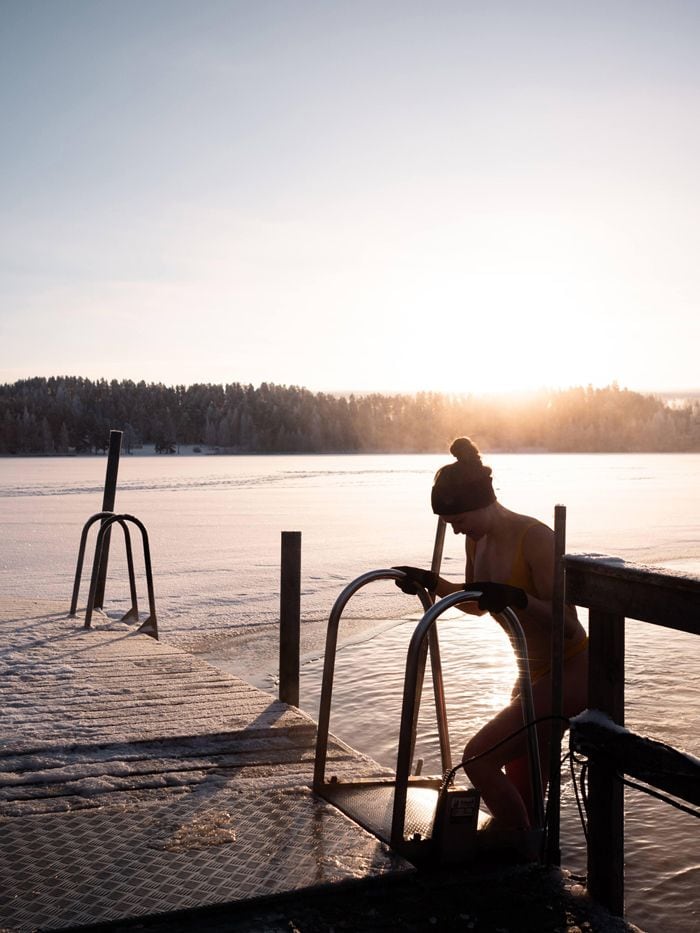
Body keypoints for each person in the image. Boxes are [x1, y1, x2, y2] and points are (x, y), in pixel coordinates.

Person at [394, 437, 588, 832]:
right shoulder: (476, 541)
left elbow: (567, 628)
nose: (456, 532)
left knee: (477, 757)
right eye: (450, 526)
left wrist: (518, 599)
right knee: (523, 781)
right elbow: (477, 603)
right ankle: (525, 846)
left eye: (458, 521)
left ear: (480, 501)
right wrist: (434, 583)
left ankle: (520, 851)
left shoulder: (535, 538)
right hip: (529, 673)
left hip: (571, 670)